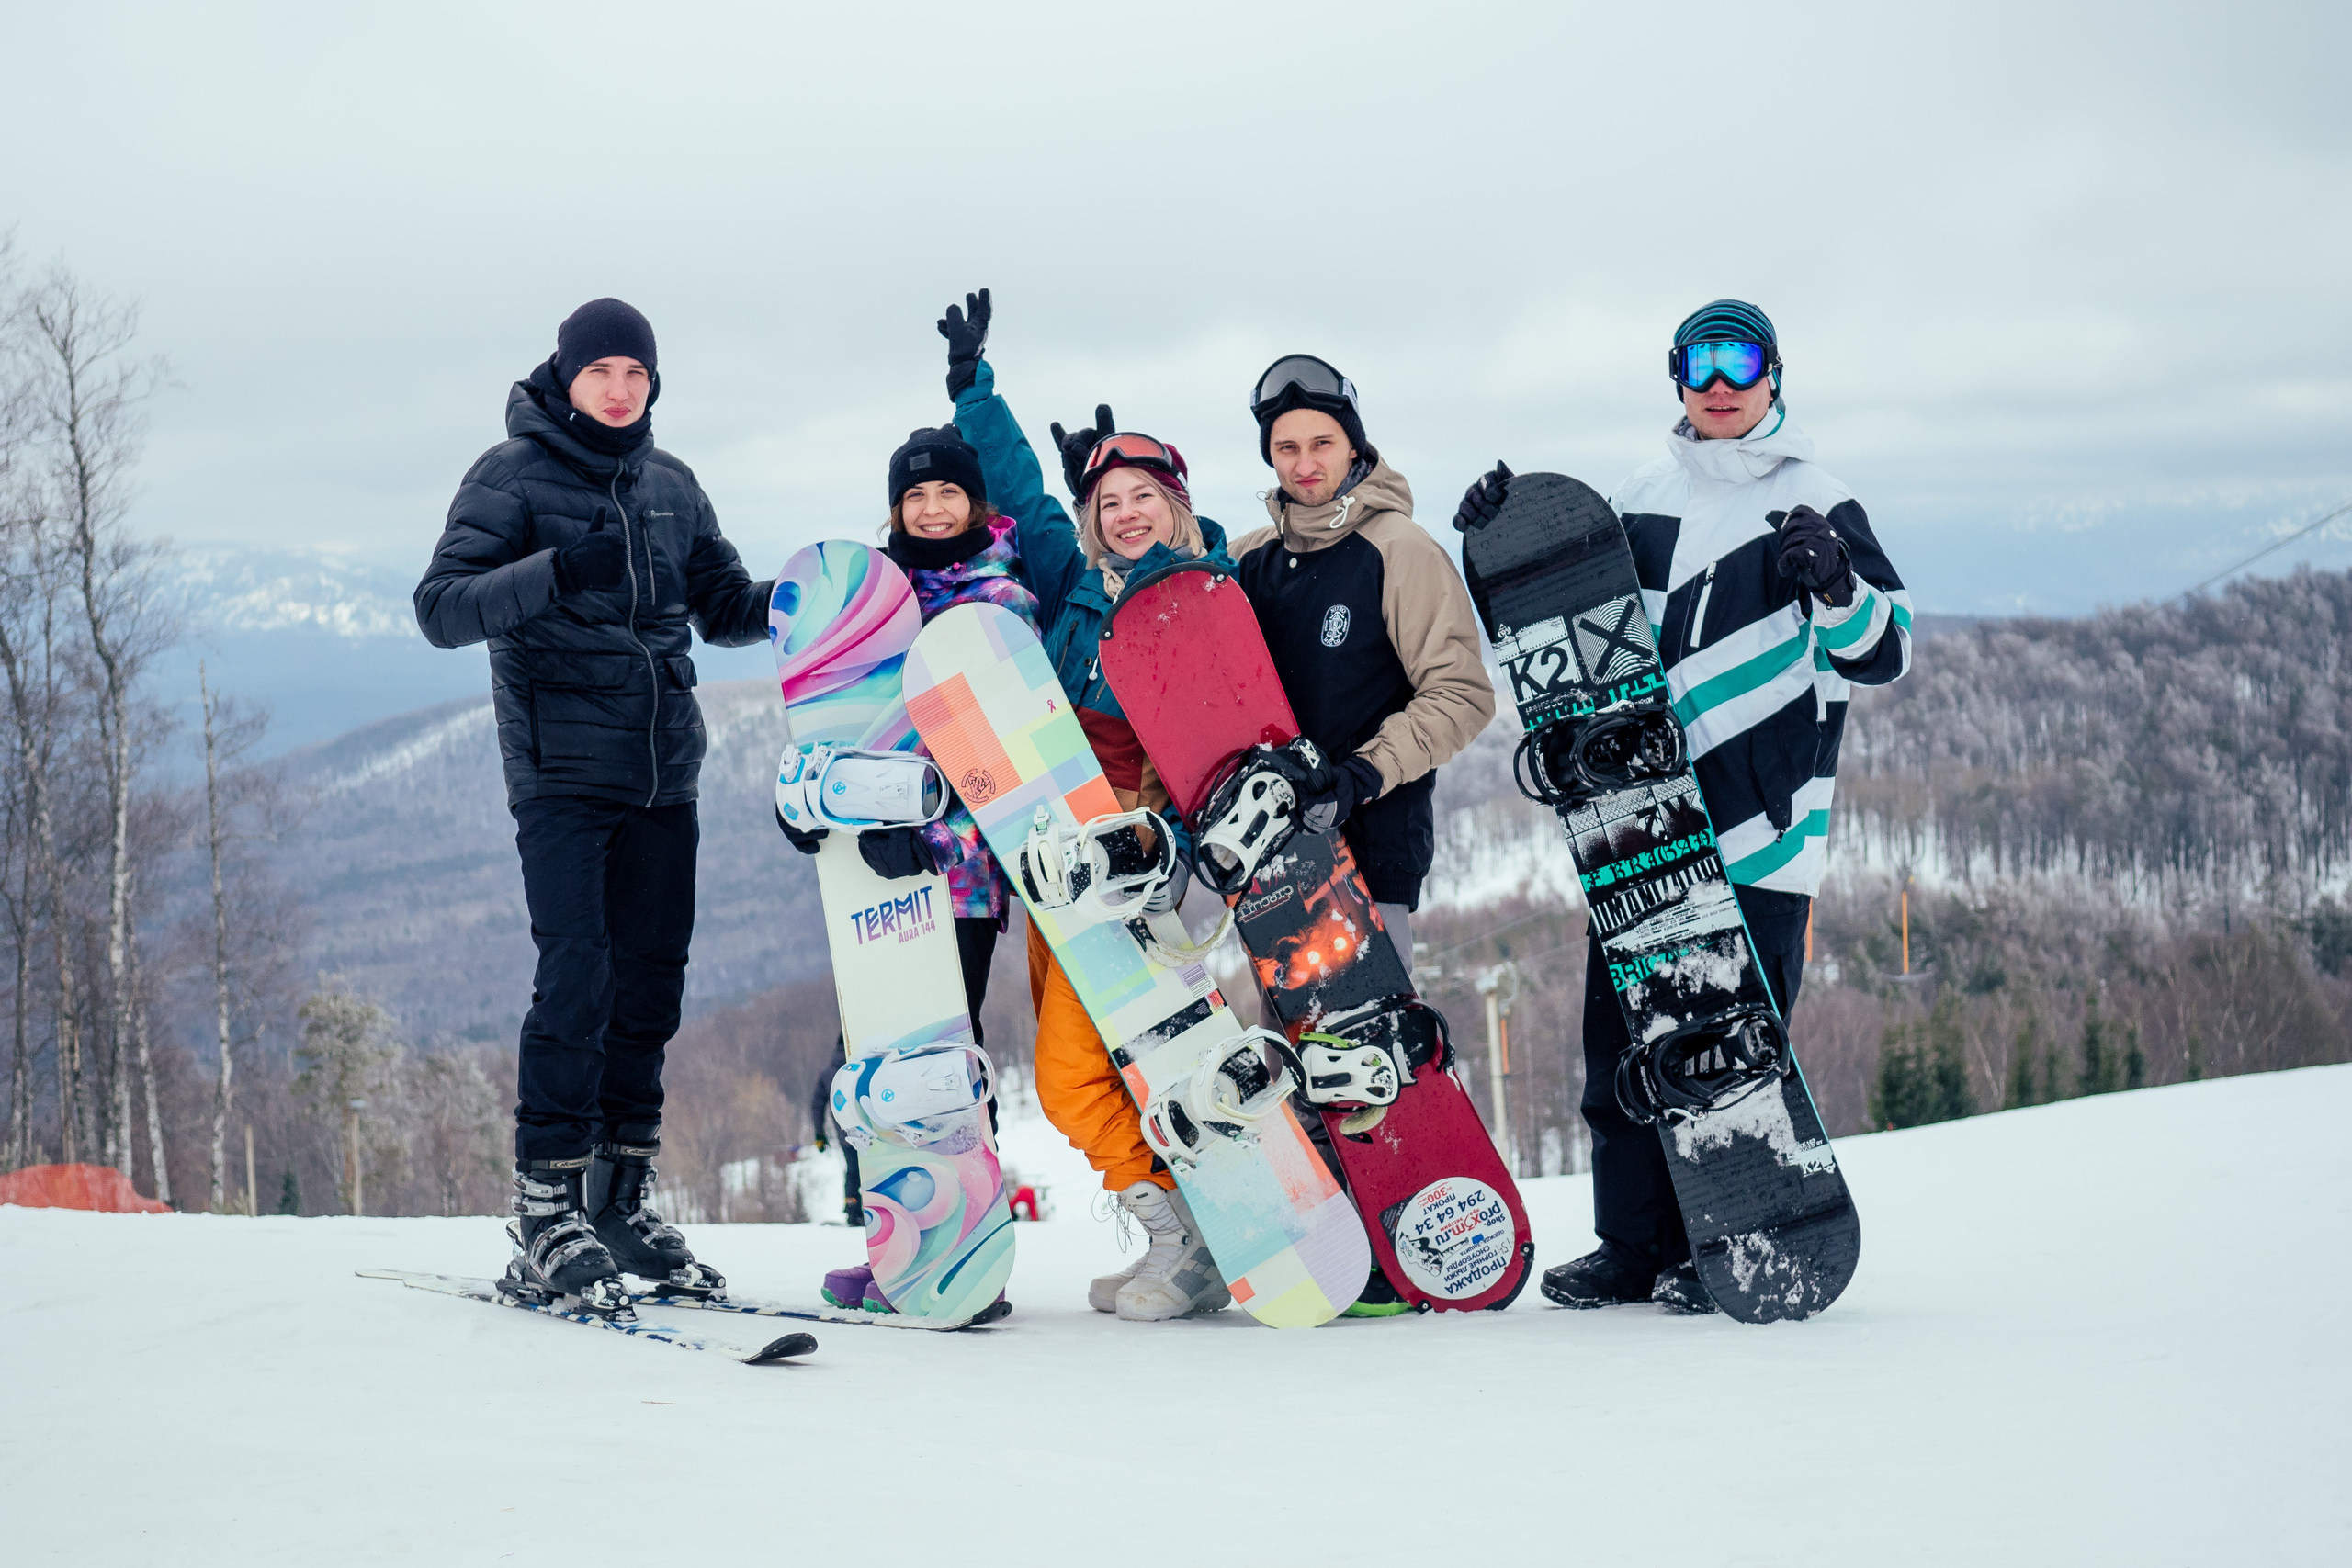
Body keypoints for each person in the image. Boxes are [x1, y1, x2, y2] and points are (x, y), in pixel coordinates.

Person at [1454, 299, 1912, 1314]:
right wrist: (1500, 544)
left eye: (1738, 360)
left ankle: (1727, 1240)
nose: (1718, 381)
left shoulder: (1816, 501)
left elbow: (1884, 653)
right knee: (1621, 1053)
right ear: (1675, 376)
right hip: (1640, 825)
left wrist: (1834, 584)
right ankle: (1632, 1246)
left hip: (1760, 830)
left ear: (1772, 375)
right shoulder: (1636, 499)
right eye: (1698, 361)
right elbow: (1564, 639)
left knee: (1728, 1052)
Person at [414, 298, 773, 1314]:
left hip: (667, 771)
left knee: (650, 987)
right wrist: (554, 570)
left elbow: (724, 604)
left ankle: (617, 1202)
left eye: (637, 374)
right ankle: (546, 1213)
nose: (620, 389)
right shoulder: (510, 476)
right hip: (563, 776)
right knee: (577, 980)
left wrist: (803, 599)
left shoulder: (671, 485)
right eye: (602, 371)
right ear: (565, 376)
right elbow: (440, 609)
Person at [944, 288, 1233, 1322]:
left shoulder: (1204, 597)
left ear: (1177, 505)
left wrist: (1169, 841)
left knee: (1070, 1075)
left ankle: (1183, 1232)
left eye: (1142, 498)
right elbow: (1019, 494)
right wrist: (975, 392)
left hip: (1132, 871)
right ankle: (1183, 1233)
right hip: (1051, 853)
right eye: (1108, 503)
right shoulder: (1075, 585)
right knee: (1096, 1069)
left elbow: (1225, 736)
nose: (1124, 515)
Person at [1228, 354, 1499, 1314]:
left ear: (1354, 445)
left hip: (1368, 844)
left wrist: (1362, 774)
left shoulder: (1400, 550)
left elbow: (1463, 694)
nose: (1305, 462)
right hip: (1269, 865)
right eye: (1286, 446)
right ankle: (1332, 1252)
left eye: (1322, 443)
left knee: (1364, 1053)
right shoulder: (1255, 560)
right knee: (1293, 1058)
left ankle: (1398, 1248)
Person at [777, 416, 1037, 1312]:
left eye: (948, 492)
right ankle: (896, 1246)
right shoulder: (870, 606)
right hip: (870, 871)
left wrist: (917, 810)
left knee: (937, 1058)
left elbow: (1001, 750)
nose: (931, 509)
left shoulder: (997, 602)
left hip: (956, 871)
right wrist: (823, 802)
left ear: (975, 502)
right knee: (872, 1059)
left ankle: (960, 1248)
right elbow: (841, 726)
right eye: (915, 495)